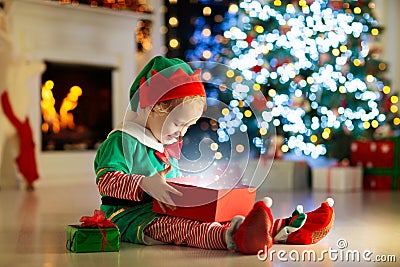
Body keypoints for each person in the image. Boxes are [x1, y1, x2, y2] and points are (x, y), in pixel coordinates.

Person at [94, 56, 335, 255]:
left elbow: (175, 182)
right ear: (152, 107)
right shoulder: (123, 140)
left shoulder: (164, 144)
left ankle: (284, 228)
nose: (182, 133)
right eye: (178, 123)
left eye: (188, 126)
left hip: (164, 208)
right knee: (181, 227)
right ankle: (233, 237)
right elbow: (105, 180)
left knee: (214, 213)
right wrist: (145, 184)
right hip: (131, 216)